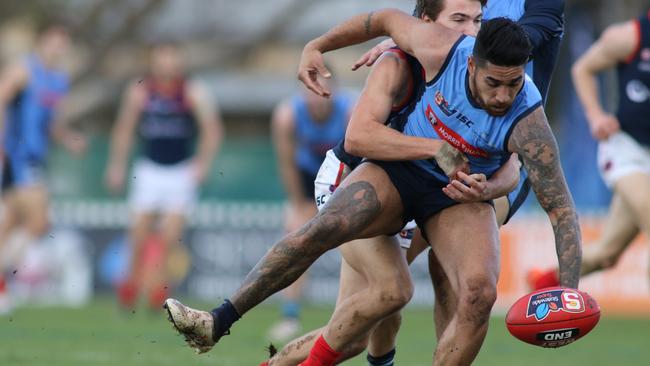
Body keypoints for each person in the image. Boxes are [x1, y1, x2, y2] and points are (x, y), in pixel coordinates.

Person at [165, 12, 581, 365]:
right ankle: (217, 321)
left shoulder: (528, 121)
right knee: (326, 234)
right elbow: (379, 19)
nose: (503, 96)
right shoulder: (439, 47)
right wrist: (317, 45)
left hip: (457, 197)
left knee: (478, 293)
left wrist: (570, 293)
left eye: (513, 84)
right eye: (494, 83)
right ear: (471, 65)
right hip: (399, 172)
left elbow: (560, 208)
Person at [267, 0, 566, 363]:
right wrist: (399, 42)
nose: (470, 31)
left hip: (491, 165)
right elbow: (408, 31)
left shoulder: (532, 10)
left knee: (460, 285)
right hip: (421, 167)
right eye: (460, 22)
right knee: (375, 305)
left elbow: (528, 35)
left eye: (477, 23)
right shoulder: (433, 49)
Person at [528, 11, 650, 290]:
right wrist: (596, 115)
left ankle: (542, 284)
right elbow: (583, 68)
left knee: (607, 254)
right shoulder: (630, 37)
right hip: (628, 151)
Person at [105, 42, 223, 311]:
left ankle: (157, 291)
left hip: (181, 172)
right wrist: (116, 166)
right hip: (149, 171)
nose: (167, 63)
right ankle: (130, 288)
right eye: (162, 58)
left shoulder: (193, 91)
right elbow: (123, 129)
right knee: (138, 235)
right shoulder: (140, 91)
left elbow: (212, 130)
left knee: (170, 239)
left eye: (172, 57)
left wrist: (203, 164)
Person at [0, 25, 86, 314]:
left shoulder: (59, 81)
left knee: (10, 225)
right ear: (41, 43)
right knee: (38, 221)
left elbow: (50, 123)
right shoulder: (23, 70)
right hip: (18, 156)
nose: (57, 50)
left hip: (36, 158)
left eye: (63, 45)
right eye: (53, 43)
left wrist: (68, 138)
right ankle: (3, 286)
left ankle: (1, 287)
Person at [268, 75, 353, 342]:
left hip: (344, 183)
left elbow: (358, 159)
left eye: (323, 91)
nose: (316, 98)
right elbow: (286, 164)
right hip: (306, 183)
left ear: (335, 91)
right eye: (311, 91)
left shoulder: (350, 111)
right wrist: (298, 203)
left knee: (356, 248)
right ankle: (289, 316)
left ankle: (349, 316)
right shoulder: (287, 116)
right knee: (295, 240)